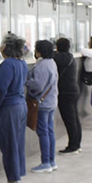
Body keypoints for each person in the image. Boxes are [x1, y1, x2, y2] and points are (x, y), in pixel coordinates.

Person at [0, 33, 28, 183]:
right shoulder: (21, 63)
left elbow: (1, 88)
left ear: (5, 47)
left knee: (8, 144)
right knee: (17, 143)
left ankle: (11, 182)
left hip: (8, 108)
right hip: (20, 106)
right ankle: (16, 177)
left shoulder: (8, 65)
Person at [26, 40, 59, 173]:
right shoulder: (51, 63)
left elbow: (38, 86)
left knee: (43, 132)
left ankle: (45, 162)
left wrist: (27, 82)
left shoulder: (42, 65)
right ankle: (51, 161)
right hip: (50, 101)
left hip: (42, 103)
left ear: (39, 52)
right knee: (49, 131)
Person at [55, 38, 82, 155]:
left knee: (70, 120)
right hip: (73, 90)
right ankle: (76, 144)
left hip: (65, 92)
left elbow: (48, 55)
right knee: (74, 119)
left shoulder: (60, 58)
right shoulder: (69, 56)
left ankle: (73, 146)